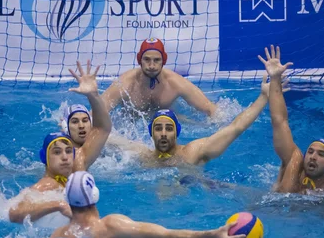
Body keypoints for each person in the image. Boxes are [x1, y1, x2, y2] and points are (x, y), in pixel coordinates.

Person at [111, 61, 288, 168]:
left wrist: (264, 97)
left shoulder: (193, 153)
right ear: (151, 132)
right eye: (158, 128)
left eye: (168, 128)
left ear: (177, 132)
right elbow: (104, 136)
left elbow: (236, 128)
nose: (163, 133)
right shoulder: (142, 155)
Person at [50, 171, 248, 238]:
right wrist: (213, 235)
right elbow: (168, 236)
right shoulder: (112, 226)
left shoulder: (58, 236)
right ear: (95, 195)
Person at [8, 60, 112, 225]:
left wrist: (93, 96)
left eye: (68, 151)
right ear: (45, 158)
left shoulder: (78, 161)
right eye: (56, 152)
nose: (65, 157)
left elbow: (103, 128)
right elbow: (14, 213)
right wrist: (56, 205)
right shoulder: (45, 186)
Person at [259, 45, 324, 194]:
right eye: (310, 152)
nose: (312, 157)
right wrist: (275, 78)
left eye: (321, 154)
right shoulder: (294, 162)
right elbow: (279, 120)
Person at [100, 38, 218, 117]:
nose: (151, 65)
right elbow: (97, 113)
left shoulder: (175, 83)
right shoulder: (125, 84)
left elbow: (210, 109)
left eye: (157, 60)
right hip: (133, 126)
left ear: (164, 61)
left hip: (166, 125)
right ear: (139, 59)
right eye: (147, 60)